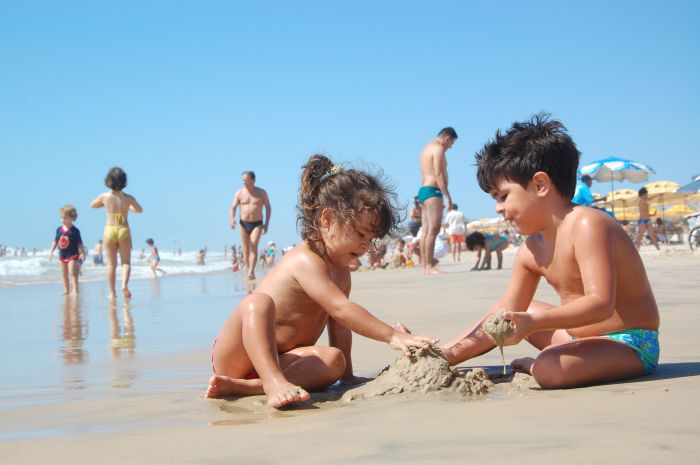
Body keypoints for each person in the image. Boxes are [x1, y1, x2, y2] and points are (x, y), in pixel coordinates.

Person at [441, 113, 660, 389]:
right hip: (574, 337)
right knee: (512, 312)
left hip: (628, 342)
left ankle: (541, 364)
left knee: (547, 368)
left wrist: (533, 322)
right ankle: (562, 355)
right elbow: (503, 313)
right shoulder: (529, 250)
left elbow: (601, 304)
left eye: (503, 196)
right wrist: (447, 353)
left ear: (540, 185)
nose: (498, 208)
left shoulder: (588, 224)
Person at [206, 154, 437, 408]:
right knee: (257, 303)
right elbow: (341, 309)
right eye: (360, 234)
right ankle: (270, 382)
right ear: (327, 219)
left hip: (285, 362)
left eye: (371, 239)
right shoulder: (305, 259)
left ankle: (248, 387)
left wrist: (347, 375)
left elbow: (340, 323)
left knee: (334, 360)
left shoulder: (341, 271)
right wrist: (391, 335)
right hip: (238, 356)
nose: (366, 246)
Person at [90, 167, 143, 299]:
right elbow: (139, 210)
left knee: (111, 265)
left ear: (108, 180)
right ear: (124, 181)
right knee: (126, 262)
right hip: (123, 229)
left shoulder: (105, 196)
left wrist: (104, 204)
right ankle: (124, 285)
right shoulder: (129, 198)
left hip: (109, 229)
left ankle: (112, 292)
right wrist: (128, 207)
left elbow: (92, 205)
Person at [417, 127, 458, 275]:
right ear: (447, 138)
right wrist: (448, 196)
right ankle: (429, 266)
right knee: (433, 230)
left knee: (425, 231)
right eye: (451, 144)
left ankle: (424, 265)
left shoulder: (426, 148)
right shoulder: (439, 148)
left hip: (423, 190)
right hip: (433, 191)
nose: (450, 147)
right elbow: (438, 173)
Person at [230, 171, 271, 281]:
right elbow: (233, 207)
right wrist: (232, 219)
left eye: (246, 180)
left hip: (257, 223)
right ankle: (248, 270)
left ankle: (251, 271)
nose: (244, 182)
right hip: (243, 223)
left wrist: (266, 224)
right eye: (243, 180)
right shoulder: (239, 193)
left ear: (253, 180)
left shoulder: (261, 193)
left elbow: (268, 208)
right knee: (246, 248)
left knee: (253, 246)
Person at [49, 205, 86, 295]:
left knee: (72, 273)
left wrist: (82, 252)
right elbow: (55, 241)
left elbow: (79, 243)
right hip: (62, 255)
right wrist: (51, 251)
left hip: (73, 255)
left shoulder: (75, 231)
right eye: (61, 218)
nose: (63, 220)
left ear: (72, 218)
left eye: (65, 218)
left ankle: (75, 290)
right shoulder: (59, 230)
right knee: (64, 274)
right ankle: (66, 290)